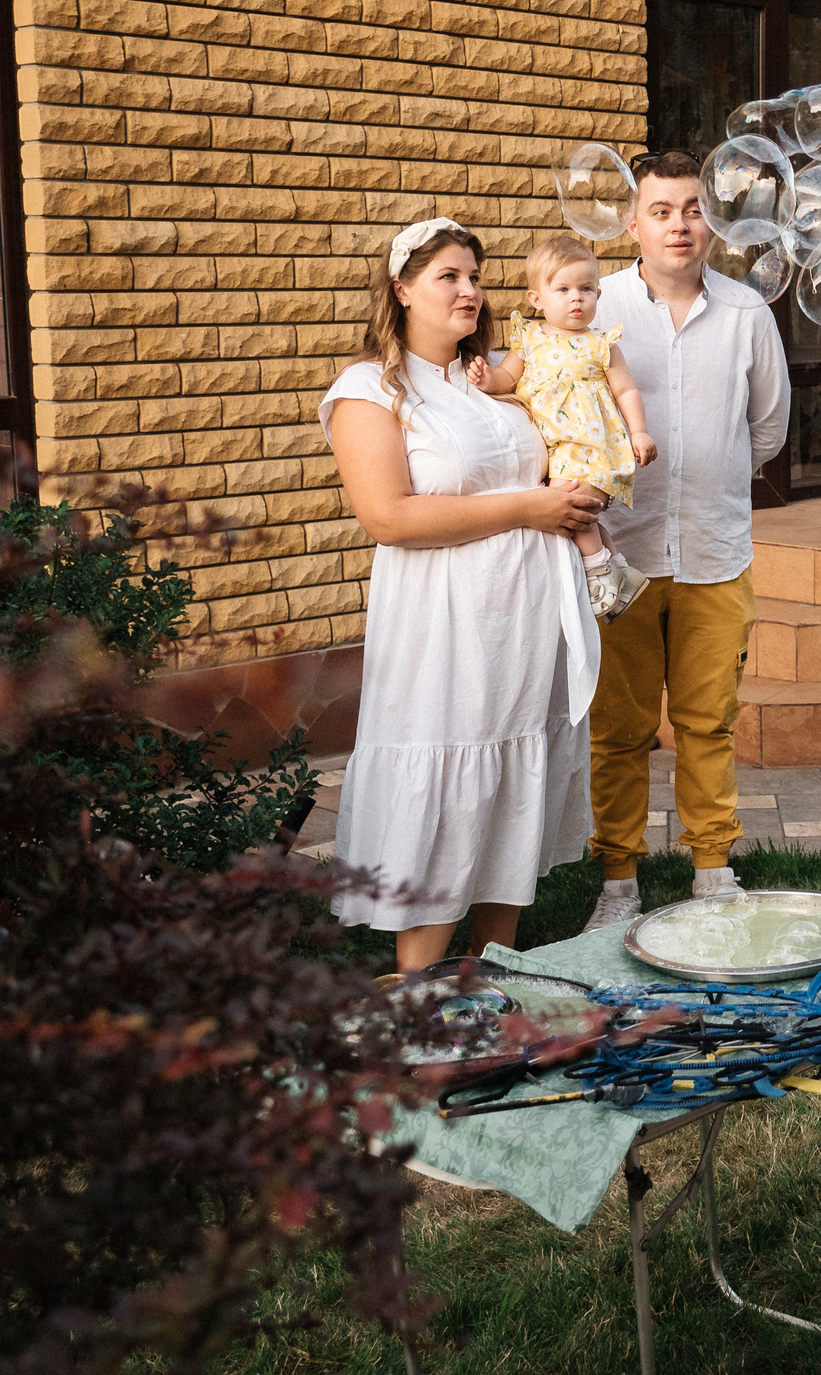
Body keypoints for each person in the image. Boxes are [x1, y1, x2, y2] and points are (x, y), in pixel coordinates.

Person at [319, 216, 607, 971]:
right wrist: (530, 507)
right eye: (449, 275)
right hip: (442, 629)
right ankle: (419, 987)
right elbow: (388, 515)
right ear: (402, 287)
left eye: (475, 276)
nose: (470, 290)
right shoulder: (370, 390)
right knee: (447, 792)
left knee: (513, 780)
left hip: (522, 627)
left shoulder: (495, 378)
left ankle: (493, 973)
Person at [583, 151, 791, 927]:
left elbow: (766, 428)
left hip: (713, 551)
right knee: (621, 728)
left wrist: (713, 469)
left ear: (714, 220)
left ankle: (711, 869)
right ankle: (618, 883)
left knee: (708, 722)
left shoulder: (747, 314)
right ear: (632, 223)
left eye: (693, 209)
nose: (680, 224)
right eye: (662, 210)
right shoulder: (593, 307)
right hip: (621, 557)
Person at [471, 233, 656, 620]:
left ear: (598, 295)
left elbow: (626, 390)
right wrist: (488, 381)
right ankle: (618, 567)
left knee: (569, 503)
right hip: (551, 449)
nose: (577, 298)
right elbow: (506, 376)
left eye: (586, 288)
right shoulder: (529, 338)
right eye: (564, 289)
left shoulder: (602, 343)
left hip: (588, 444)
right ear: (537, 299)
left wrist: (639, 431)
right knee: (583, 513)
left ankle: (596, 571)